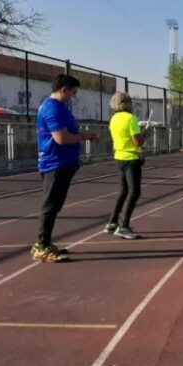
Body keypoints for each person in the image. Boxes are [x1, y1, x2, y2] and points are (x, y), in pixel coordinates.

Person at [32, 74, 98, 262]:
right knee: (50, 205)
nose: (73, 96)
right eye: (73, 92)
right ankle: (42, 246)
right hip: (55, 163)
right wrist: (83, 137)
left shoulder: (60, 108)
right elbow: (61, 138)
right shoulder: (53, 109)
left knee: (55, 205)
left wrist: (85, 134)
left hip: (62, 163)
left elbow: (69, 133)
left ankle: (46, 242)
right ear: (63, 89)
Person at [104, 92, 147, 239]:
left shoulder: (113, 119)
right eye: (129, 102)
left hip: (119, 157)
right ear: (124, 103)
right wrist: (143, 135)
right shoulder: (131, 118)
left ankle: (112, 222)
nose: (131, 105)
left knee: (123, 191)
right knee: (134, 191)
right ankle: (124, 225)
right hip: (131, 158)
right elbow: (137, 141)